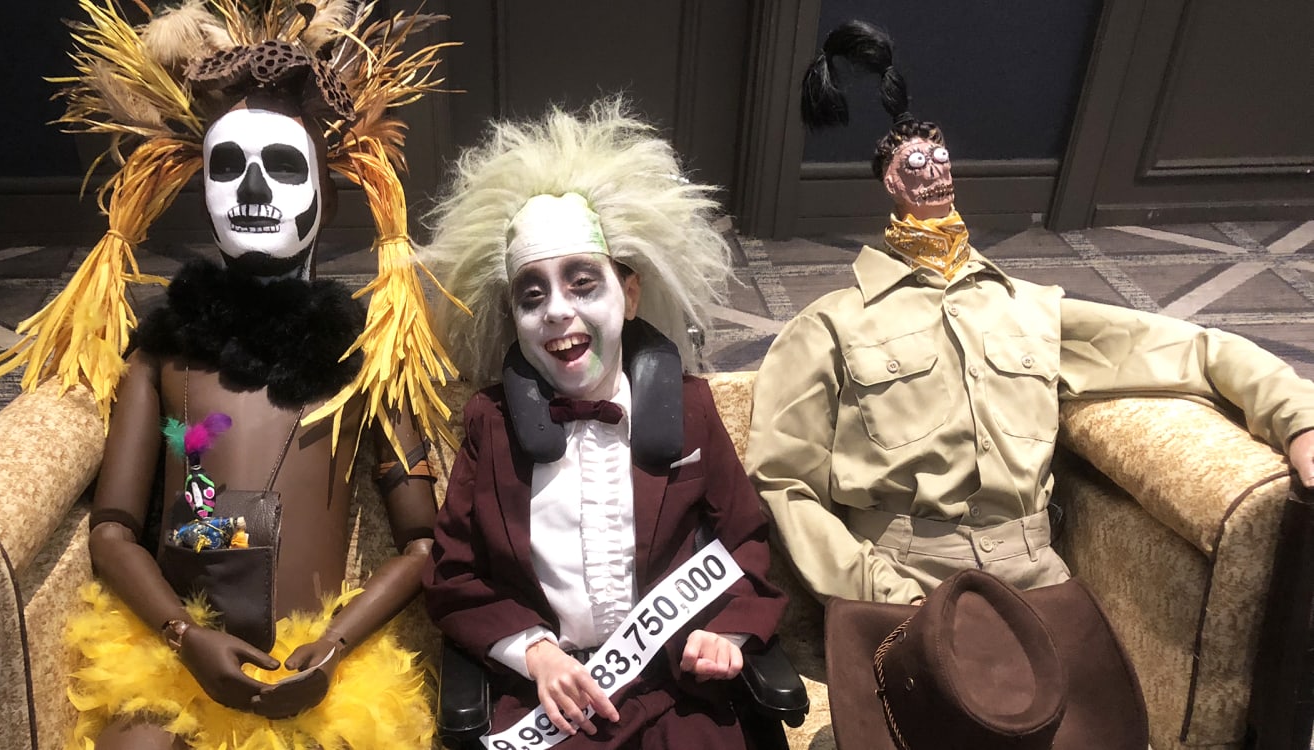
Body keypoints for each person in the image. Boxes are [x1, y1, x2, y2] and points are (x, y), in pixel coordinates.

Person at [0, 2, 459, 748]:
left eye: (283, 167)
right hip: (176, 662)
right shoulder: (163, 353)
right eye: (228, 167)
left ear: (326, 196)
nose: (253, 189)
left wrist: (335, 645)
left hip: (320, 673)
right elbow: (112, 529)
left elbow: (422, 544)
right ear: (201, 190)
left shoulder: (367, 356)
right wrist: (184, 636)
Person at [747, 20, 1314, 606]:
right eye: (916, 164)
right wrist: (880, 593)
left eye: (941, 158)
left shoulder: (1029, 310)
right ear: (891, 180)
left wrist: (1298, 419)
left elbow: (1195, 350)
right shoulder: (829, 326)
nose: (935, 172)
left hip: (1039, 585)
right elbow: (783, 482)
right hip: (898, 579)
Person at [421, 100, 787, 749]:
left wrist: (725, 634)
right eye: (532, 295)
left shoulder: (692, 407)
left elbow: (747, 544)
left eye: (583, 283)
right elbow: (455, 575)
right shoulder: (489, 423)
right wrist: (535, 654)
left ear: (630, 293)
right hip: (554, 698)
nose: (557, 312)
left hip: (679, 688)